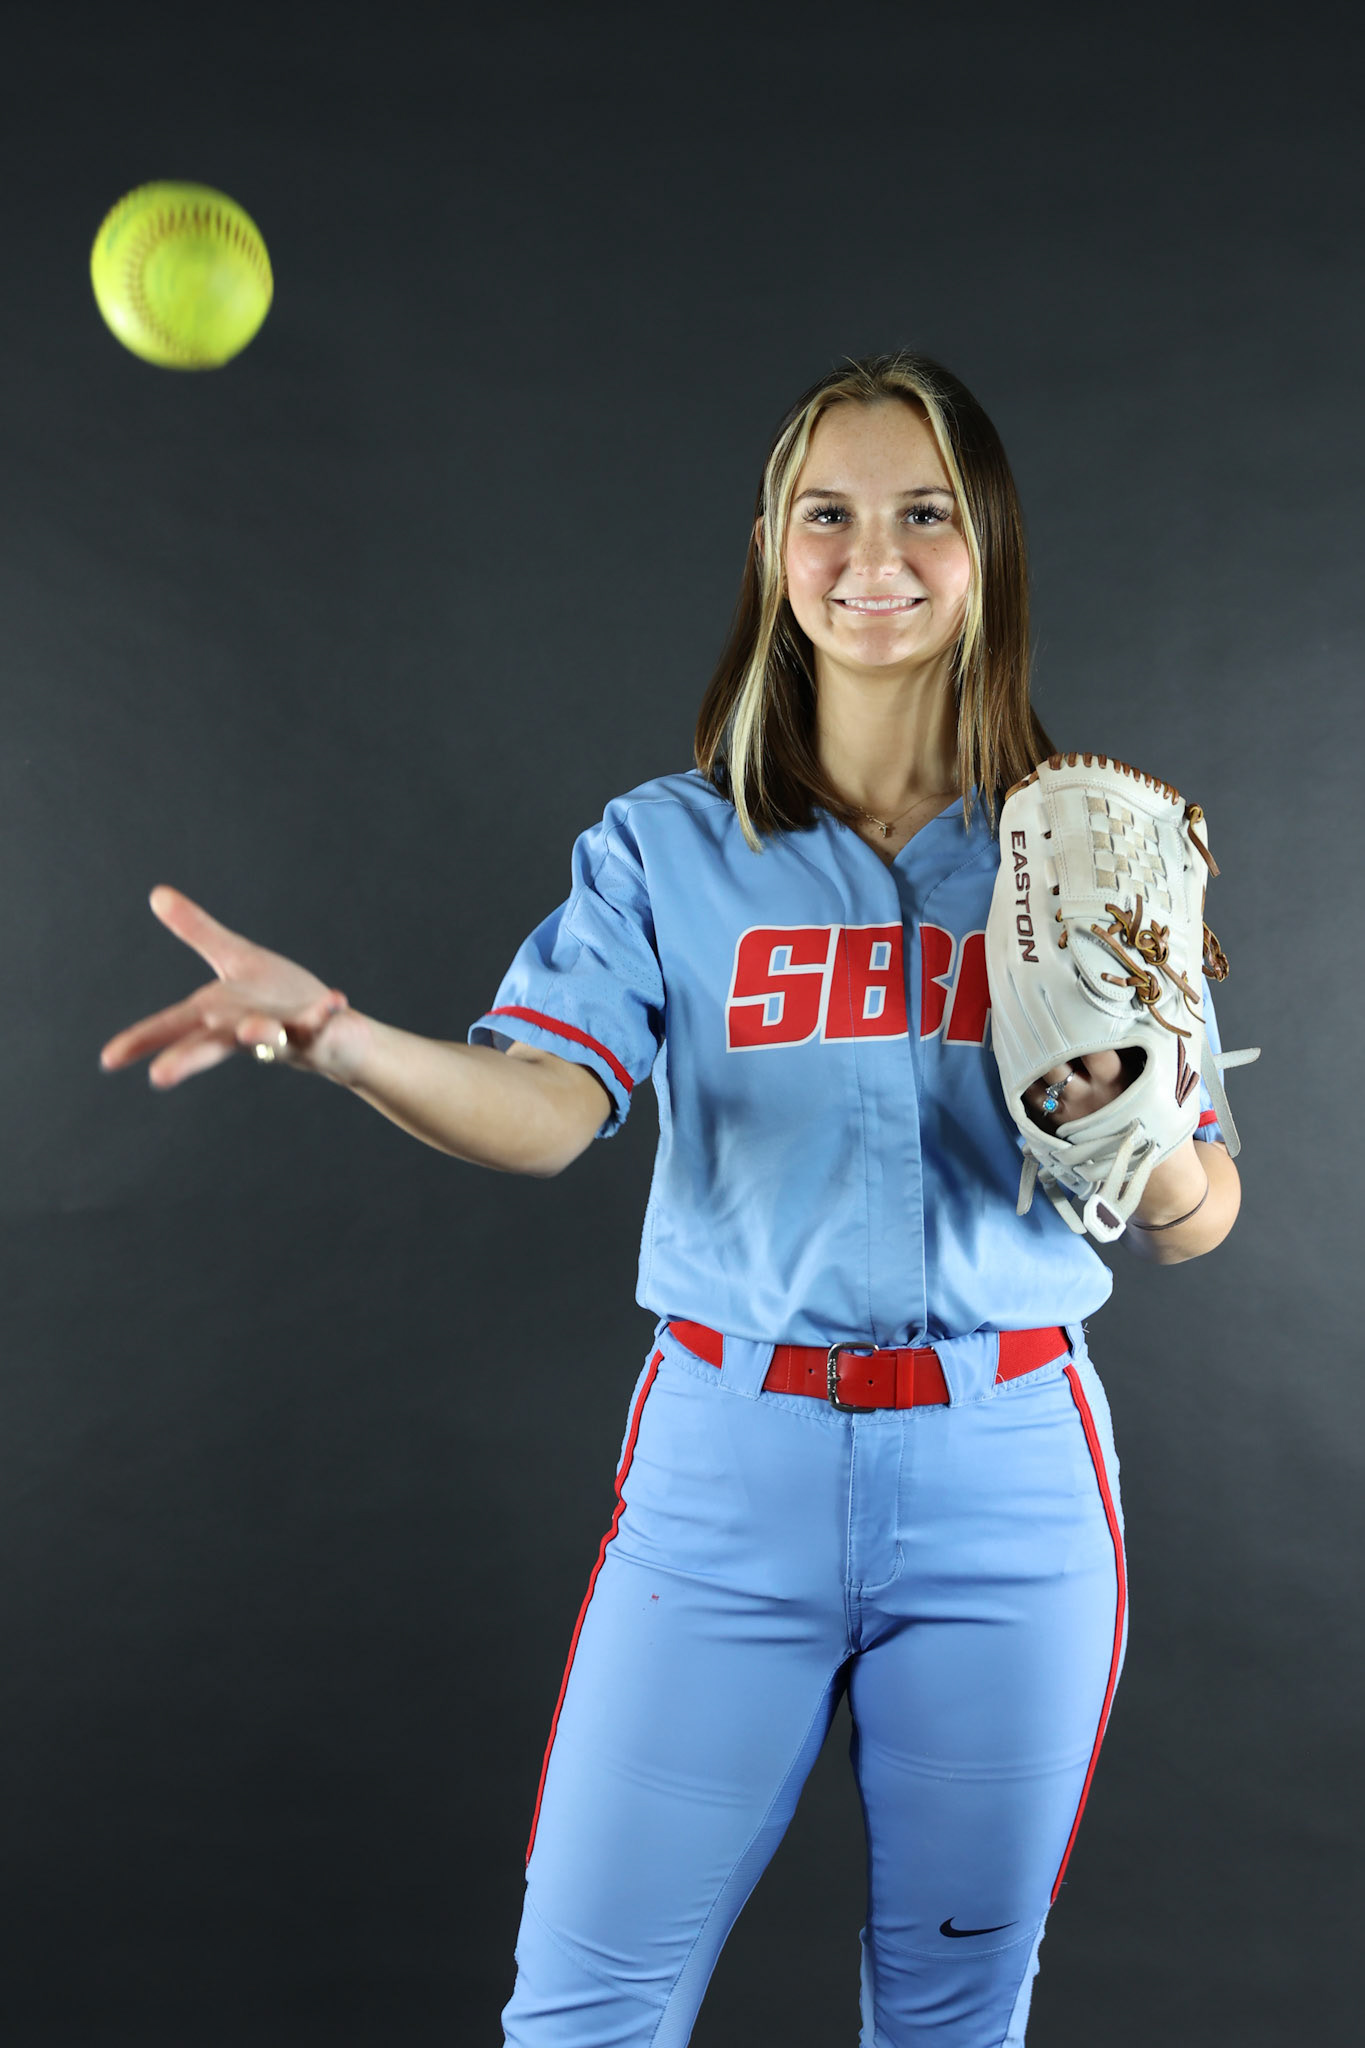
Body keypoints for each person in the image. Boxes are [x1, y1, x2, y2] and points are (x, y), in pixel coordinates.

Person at [100, 352, 1242, 2047]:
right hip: (727, 1474)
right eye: (826, 514)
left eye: (923, 513)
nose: (874, 556)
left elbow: (1197, 1212)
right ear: (772, 553)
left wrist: (1120, 1116)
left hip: (1008, 1480)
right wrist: (341, 1041)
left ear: (984, 547)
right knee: (584, 2016)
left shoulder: (1083, 853)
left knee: (954, 2014)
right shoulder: (665, 850)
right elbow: (550, 1110)